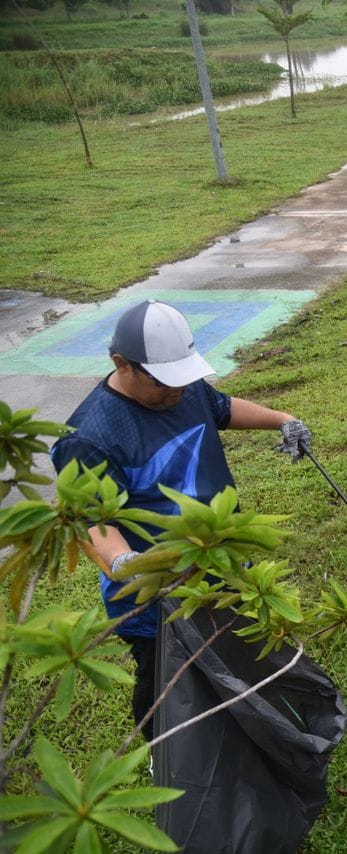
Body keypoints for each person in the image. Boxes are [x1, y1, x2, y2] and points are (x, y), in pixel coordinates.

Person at [49, 300, 313, 739]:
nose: (177, 392)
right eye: (164, 382)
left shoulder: (182, 387)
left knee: (232, 652)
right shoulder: (90, 436)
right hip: (156, 596)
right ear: (122, 364)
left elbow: (222, 408)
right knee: (166, 683)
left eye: (183, 378)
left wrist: (284, 420)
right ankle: (164, 754)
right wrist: (129, 567)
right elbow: (91, 523)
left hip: (220, 563)